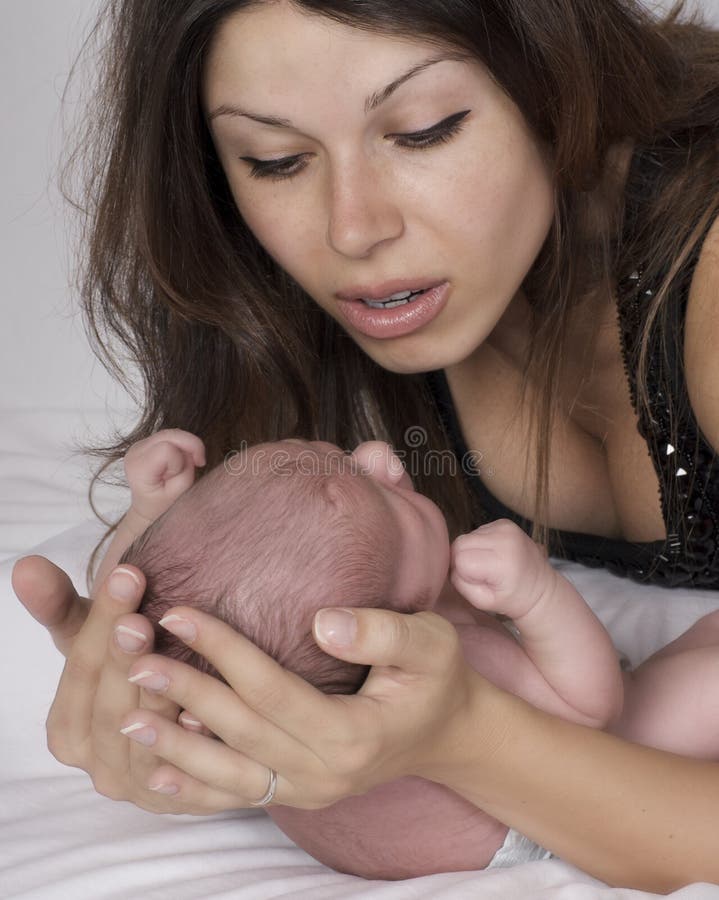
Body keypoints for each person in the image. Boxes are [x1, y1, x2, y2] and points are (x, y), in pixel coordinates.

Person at [10, 0, 719, 890]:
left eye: (423, 131)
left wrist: (469, 736)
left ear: (554, 83)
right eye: (276, 159)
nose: (352, 230)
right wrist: (170, 717)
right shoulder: (309, 332)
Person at [109, 429, 719, 878]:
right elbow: (594, 708)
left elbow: (138, 608)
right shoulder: (457, 660)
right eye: (386, 494)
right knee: (684, 690)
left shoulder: (235, 683)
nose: (381, 459)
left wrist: (147, 515)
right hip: (541, 813)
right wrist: (539, 595)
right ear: (393, 614)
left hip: (388, 842)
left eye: (348, 462)